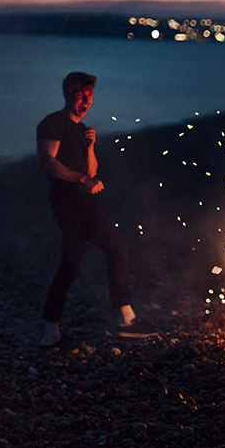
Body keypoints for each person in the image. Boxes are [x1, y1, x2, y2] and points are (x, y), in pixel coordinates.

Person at [37, 72, 156, 346]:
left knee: (116, 248)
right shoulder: (53, 123)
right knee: (72, 264)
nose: (86, 101)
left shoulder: (82, 129)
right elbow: (47, 162)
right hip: (66, 201)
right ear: (68, 94)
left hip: (85, 200)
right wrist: (82, 180)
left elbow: (91, 170)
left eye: (90, 95)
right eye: (81, 95)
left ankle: (124, 318)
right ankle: (51, 330)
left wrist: (90, 147)